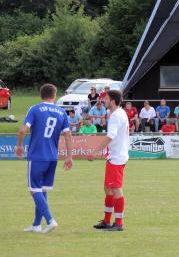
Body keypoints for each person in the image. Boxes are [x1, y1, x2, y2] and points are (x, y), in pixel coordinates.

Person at [16, 84, 73, 234]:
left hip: (37, 156)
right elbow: (68, 135)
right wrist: (69, 156)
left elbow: (23, 129)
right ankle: (36, 225)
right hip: (52, 157)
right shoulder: (62, 112)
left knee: (34, 190)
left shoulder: (35, 109)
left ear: (41, 95)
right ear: (54, 96)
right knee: (42, 190)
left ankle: (50, 220)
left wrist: (19, 145)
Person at [87, 90, 129, 232]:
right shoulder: (119, 113)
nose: (103, 101)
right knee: (108, 188)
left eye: (106, 98)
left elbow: (110, 136)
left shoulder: (116, 115)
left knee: (116, 189)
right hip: (115, 156)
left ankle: (118, 224)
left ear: (112, 101)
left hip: (116, 158)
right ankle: (106, 221)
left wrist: (95, 151)